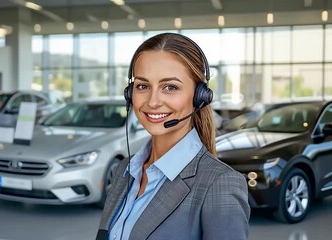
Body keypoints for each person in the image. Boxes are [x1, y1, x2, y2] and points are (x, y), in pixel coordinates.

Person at [96, 32, 250, 240]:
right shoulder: (126, 169)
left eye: (170, 87)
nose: (152, 101)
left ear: (199, 96)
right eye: (143, 86)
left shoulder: (220, 184)